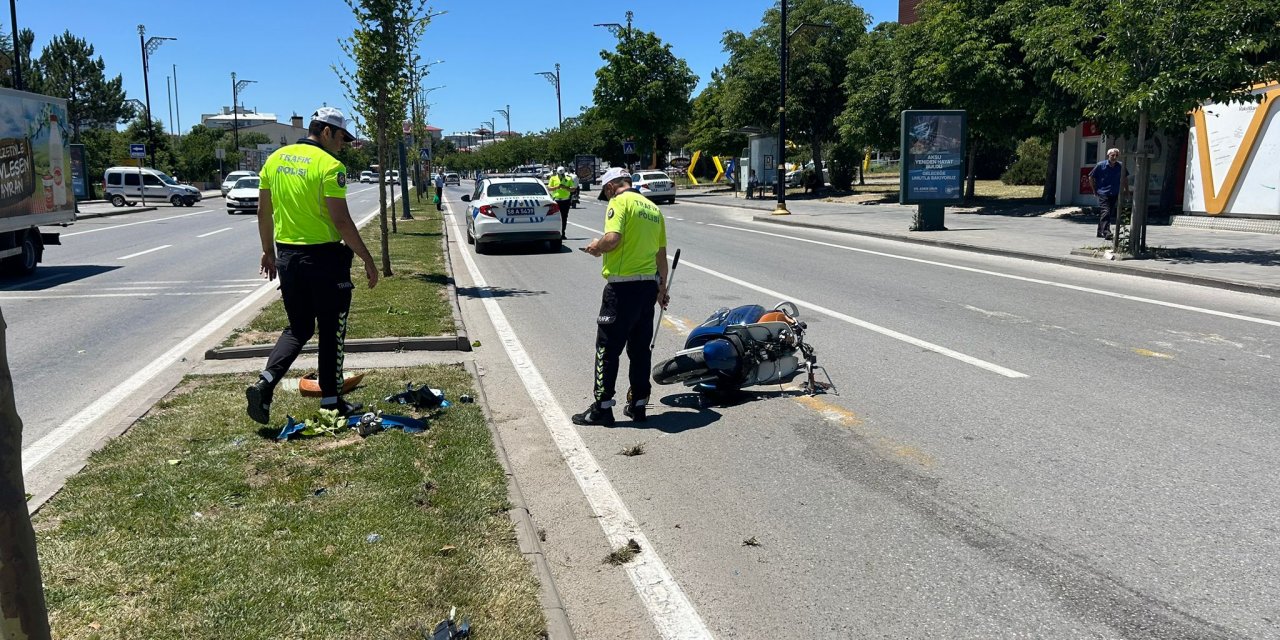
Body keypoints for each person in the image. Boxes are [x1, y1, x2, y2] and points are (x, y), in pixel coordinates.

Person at [245, 107, 379, 425]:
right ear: (326, 131)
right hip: (324, 260)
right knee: (331, 329)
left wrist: (268, 252)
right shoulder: (330, 166)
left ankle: (265, 383)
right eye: (341, 137)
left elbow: (263, 213)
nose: (343, 144)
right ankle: (332, 402)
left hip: (288, 258)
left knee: (299, 328)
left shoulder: (275, 160)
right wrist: (367, 258)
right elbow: (342, 220)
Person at [573, 167, 670, 426]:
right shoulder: (653, 209)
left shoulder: (618, 202)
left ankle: (602, 408)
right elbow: (661, 257)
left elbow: (613, 239)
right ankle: (639, 404)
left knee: (607, 349)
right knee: (640, 350)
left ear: (609, 187)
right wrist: (662, 291)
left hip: (621, 289)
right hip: (648, 288)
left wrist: (597, 247)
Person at [1088, 148, 1124, 240]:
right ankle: (1106, 232)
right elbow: (1091, 177)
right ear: (1108, 155)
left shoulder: (1120, 166)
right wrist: (1094, 190)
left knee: (1108, 213)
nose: (1114, 157)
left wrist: (1126, 191)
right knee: (1106, 211)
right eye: (1112, 155)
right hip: (1103, 192)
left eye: (1116, 155)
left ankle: (1100, 231)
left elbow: (1125, 178)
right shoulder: (1100, 165)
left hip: (1114, 192)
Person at [549, 166, 575, 239]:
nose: (561, 175)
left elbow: (573, 189)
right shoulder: (553, 178)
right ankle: (555, 232)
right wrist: (556, 187)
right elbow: (549, 188)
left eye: (562, 174)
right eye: (560, 174)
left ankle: (563, 233)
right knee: (555, 218)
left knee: (564, 217)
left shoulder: (568, 178)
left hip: (565, 200)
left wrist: (565, 187)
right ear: (557, 173)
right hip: (556, 201)